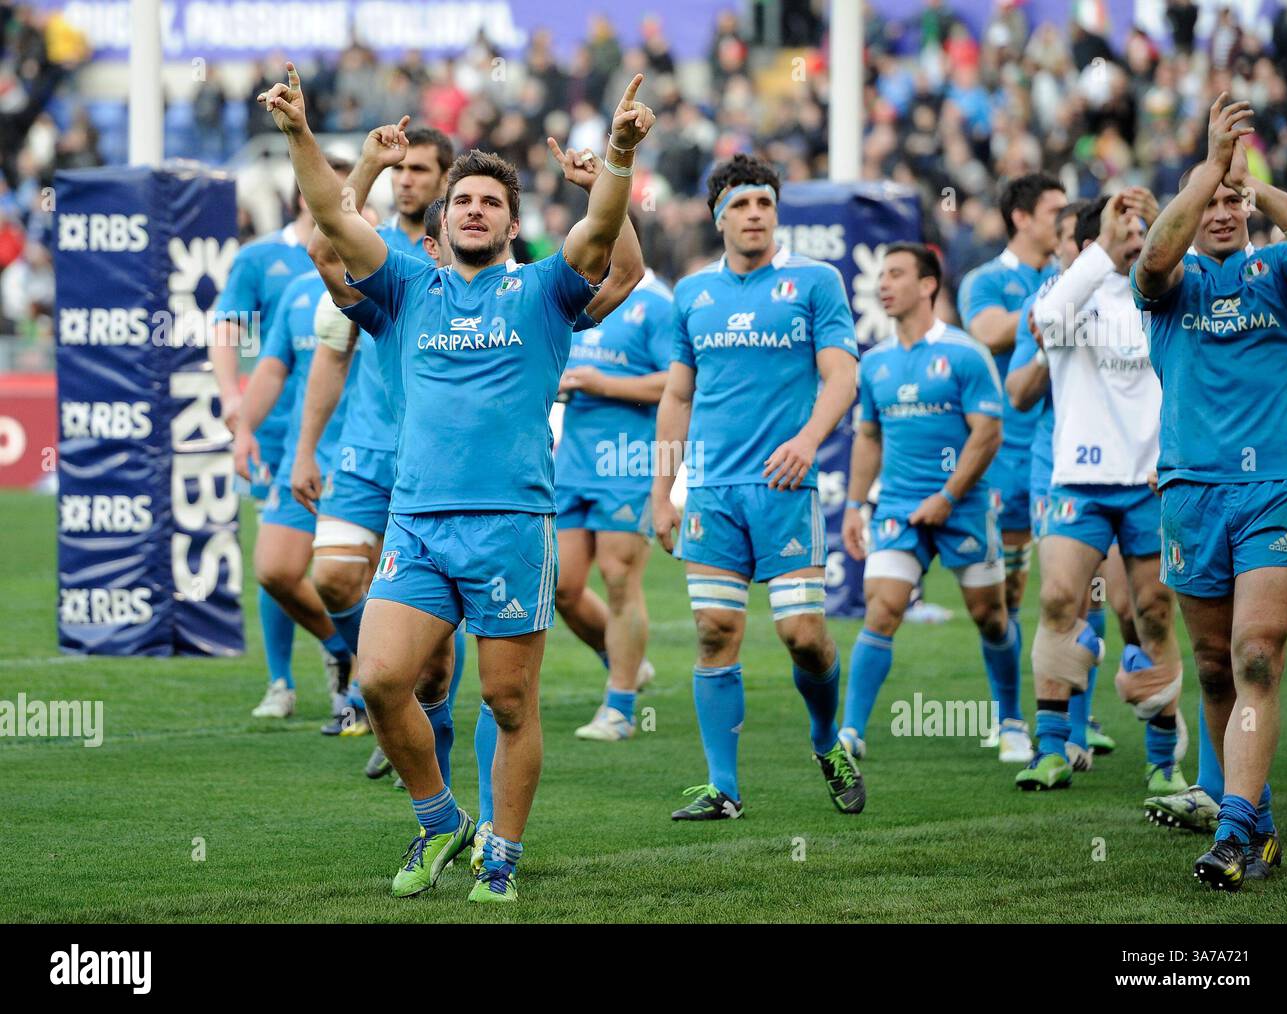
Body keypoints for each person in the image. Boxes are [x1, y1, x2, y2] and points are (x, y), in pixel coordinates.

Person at [260, 63, 654, 903]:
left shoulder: (546, 291)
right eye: (462, 200)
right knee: (379, 681)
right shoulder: (405, 287)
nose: (474, 208)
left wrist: (617, 153)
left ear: (513, 226)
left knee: (509, 703)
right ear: (438, 223)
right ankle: (443, 822)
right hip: (418, 525)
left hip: (513, 526)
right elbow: (330, 220)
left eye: (491, 202)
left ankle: (501, 854)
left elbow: (607, 241)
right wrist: (301, 132)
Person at [652, 153, 865, 821]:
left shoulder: (814, 283)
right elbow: (677, 397)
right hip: (713, 491)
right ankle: (724, 788)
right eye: (741, 205)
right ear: (719, 217)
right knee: (716, 630)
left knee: (803, 633)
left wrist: (807, 442)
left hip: (784, 486)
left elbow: (842, 378)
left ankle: (827, 741)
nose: (754, 215)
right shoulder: (691, 293)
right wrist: (662, 490)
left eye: (764, 204)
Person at [1131, 93, 1287, 890]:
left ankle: (1230, 833)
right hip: (1191, 493)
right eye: (1212, 202)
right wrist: (1205, 171)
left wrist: (1256, 185)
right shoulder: (1170, 285)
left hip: (1278, 490)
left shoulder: (1280, 274)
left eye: (1235, 202)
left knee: (1257, 653)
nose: (1223, 211)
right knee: (1214, 669)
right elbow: (1154, 255)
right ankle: (1258, 822)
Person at [1014, 189, 1187, 797]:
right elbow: (1048, 320)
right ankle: (1053, 748)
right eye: (1129, 233)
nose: (1140, 242)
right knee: (1060, 600)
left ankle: (1164, 764)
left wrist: (1159, 225)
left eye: (1145, 233)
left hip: (1148, 482)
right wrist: (1102, 252)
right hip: (1078, 483)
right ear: (1095, 242)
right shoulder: (1065, 294)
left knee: (1153, 615)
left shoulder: (1165, 294)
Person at [293, 125, 455, 737]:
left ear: (447, 179)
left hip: (434, 458)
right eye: (400, 169)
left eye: (420, 169)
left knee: (437, 657)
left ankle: (409, 721)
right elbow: (333, 351)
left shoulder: (466, 255)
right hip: (364, 449)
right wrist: (307, 448)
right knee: (332, 577)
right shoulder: (370, 245)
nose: (406, 177)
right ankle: (380, 683)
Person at [841, 243, 1012, 774]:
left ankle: (1010, 722)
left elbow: (988, 434)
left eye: (896, 274)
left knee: (989, 616)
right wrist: (853, 505)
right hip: (896, 507)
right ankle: (850, 732)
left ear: (929, 285)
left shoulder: (964, 353)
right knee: (883, 607)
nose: (884, 284)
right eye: (881, 276)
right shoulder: (874, 363)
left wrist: (948, 496)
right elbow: (867, 437)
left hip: (961, 507)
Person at [210, 155, 354, 718]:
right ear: (304, 196)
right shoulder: (265, 261)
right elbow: (230, 329)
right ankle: (283, 678)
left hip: (352, 435)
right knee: (278, 566)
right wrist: (233, 403)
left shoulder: (371, 257)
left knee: (342, 563)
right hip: (279, 429)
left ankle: (371, 678)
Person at [552, 138, 667, 741]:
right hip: (570, 465)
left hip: (627, 462)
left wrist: (603, 382)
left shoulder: (651, 305)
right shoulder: (574, 304)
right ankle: (623, 663)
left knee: (620, 580)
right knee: (565, 588)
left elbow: (678, 383)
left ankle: (620, 705)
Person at [956, 172, 1067, 762]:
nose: (1065, 218)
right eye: (1055, 210)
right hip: (1004, 451)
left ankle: (1075, 720)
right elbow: (990, 334)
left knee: (1076, 586)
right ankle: (1011, 720)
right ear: (1022, 218)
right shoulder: (987, 280)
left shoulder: (1072, 276)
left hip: (1064, 446)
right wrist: (1051, 300)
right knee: (1011, 592)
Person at [232, 265, 361, 723]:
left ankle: (382, 690)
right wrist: (244, 428)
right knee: (274, 569)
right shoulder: (300, 291)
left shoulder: (389, 276)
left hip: (366, 459)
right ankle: (342, 649)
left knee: (358, 584)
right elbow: (272, 366)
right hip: (304, 455)